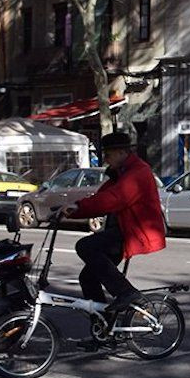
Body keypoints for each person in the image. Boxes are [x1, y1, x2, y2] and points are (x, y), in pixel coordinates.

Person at [63, 132, 166, 311]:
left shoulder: (137, 172)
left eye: (108, 155)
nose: (106, 160)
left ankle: (126, 292)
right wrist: (73, 207)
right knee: (88, 278)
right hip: (122, 229)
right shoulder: (121, 172)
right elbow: (102, 196)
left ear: (121, 152)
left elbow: (114, 198)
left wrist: (79, 208)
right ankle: (103, 329)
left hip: (133, 232)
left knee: (85, 246)